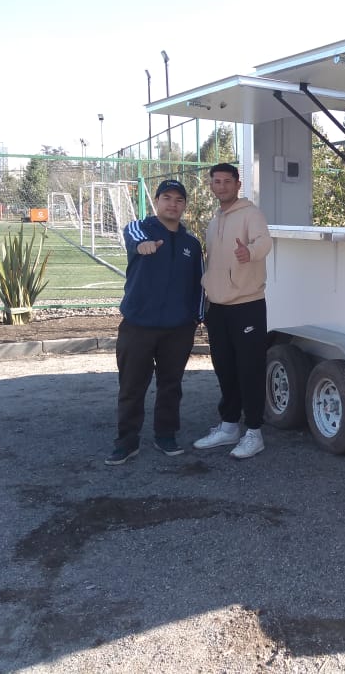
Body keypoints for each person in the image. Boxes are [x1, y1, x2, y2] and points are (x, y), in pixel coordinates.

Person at [105, 179, 203, 466]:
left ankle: (166, 435)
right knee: (131, 386)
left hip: (178, 329)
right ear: (157, 201)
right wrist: (143, 245)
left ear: (184, 206)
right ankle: (126, 441)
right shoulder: (140, 228)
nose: (173, 204)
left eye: (179, 200)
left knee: (171, 385)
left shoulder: (191, 244)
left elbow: (198, 284)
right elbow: (133, 238)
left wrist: (196, 318)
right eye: (167, 198)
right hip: (138, 325)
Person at [193, 163, 273, 459]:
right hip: (218, 307)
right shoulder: (214, 220)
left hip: (247, 306)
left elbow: (264, 241)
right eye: (217, 181)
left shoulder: (251, 214)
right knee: (224, 368)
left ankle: (254, 432)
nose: (222, 186)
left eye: (228, 181)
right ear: (211, 185)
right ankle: (229, 426)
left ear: (238, 184)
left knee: (249, 370)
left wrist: (249, 252)